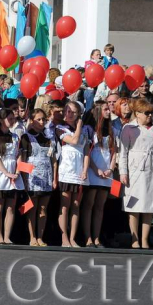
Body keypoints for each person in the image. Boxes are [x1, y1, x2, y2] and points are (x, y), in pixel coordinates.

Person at [119, 99, 153, 249]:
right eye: (146, 113)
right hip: (134, 172)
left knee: (149, 206)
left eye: (151, 113)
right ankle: (134, 239)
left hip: (152, 172)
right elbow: (123, 152)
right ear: (138, 113)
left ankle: (145, 239)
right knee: (133, 206)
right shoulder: (128, 128)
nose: (149, 116)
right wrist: (123, 172)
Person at [19, 109, 57, 247]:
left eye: (43, 120)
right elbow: (23, 160)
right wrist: (24, 180)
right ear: (32, 120)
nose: (41, 122)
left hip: (46, 176)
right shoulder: (26, 137)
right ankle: (32, 237)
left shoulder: (48, 138)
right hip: (32, 177)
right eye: (39, 119)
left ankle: (40, 237)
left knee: (43, 209)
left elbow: (53, 160)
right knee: (32, 208)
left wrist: (54, 178)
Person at [81, 102, 116, 248]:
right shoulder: (89, 129)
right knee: (89, 204)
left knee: (100, 206)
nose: (109, 111)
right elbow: (86, 152)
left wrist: (111, 169)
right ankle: (88, 238)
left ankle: (96, 237)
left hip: (106, 172)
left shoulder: (111, 129)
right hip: (93, 170)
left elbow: (114, 152)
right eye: (105, 109)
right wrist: (95, 170)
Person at [56, 101, 90, 247]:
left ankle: (73, 238)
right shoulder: (60, 128)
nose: (69, 114)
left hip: (79, 170)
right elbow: (74, 140)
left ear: (79, 114)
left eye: (73, 112)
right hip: (66, 169)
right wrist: (79, 127)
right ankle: (64, 238)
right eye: (67, 111)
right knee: (65, 205)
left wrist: (85, 170)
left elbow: (86, 151)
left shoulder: (84, 130)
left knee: (76, 205)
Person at [0, 108, 23, 245]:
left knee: (11, 207)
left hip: (14, 175)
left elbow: (19, 155)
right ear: (1, 120)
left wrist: (17, 172)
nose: (12, 121)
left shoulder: (15, 136)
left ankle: (7, 236)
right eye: (10, 118)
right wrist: (6, 172)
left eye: (13, 118)